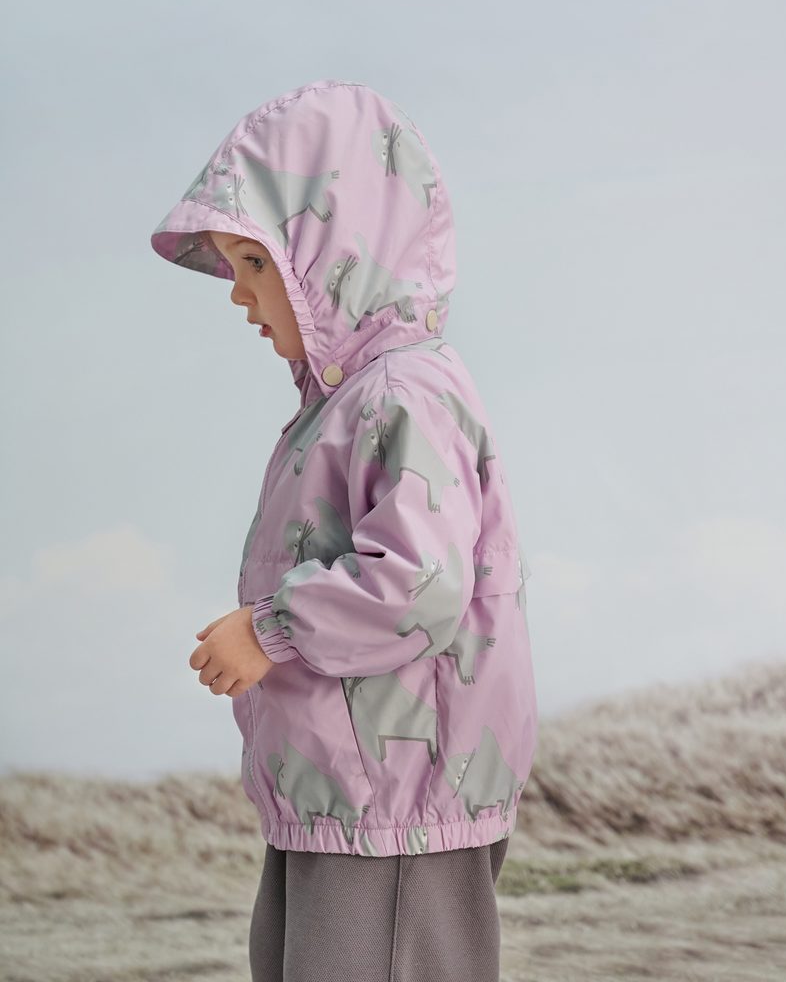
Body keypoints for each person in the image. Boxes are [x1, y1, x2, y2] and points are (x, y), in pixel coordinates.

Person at [150, 77, 539, 982]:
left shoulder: (403, 392)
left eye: (257, 264)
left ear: (337, 251)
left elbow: (419, 580)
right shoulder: (344, 404)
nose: (240, 295)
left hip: (395, 807)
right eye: (235, 268)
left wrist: (271, 628)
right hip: (340, 794)